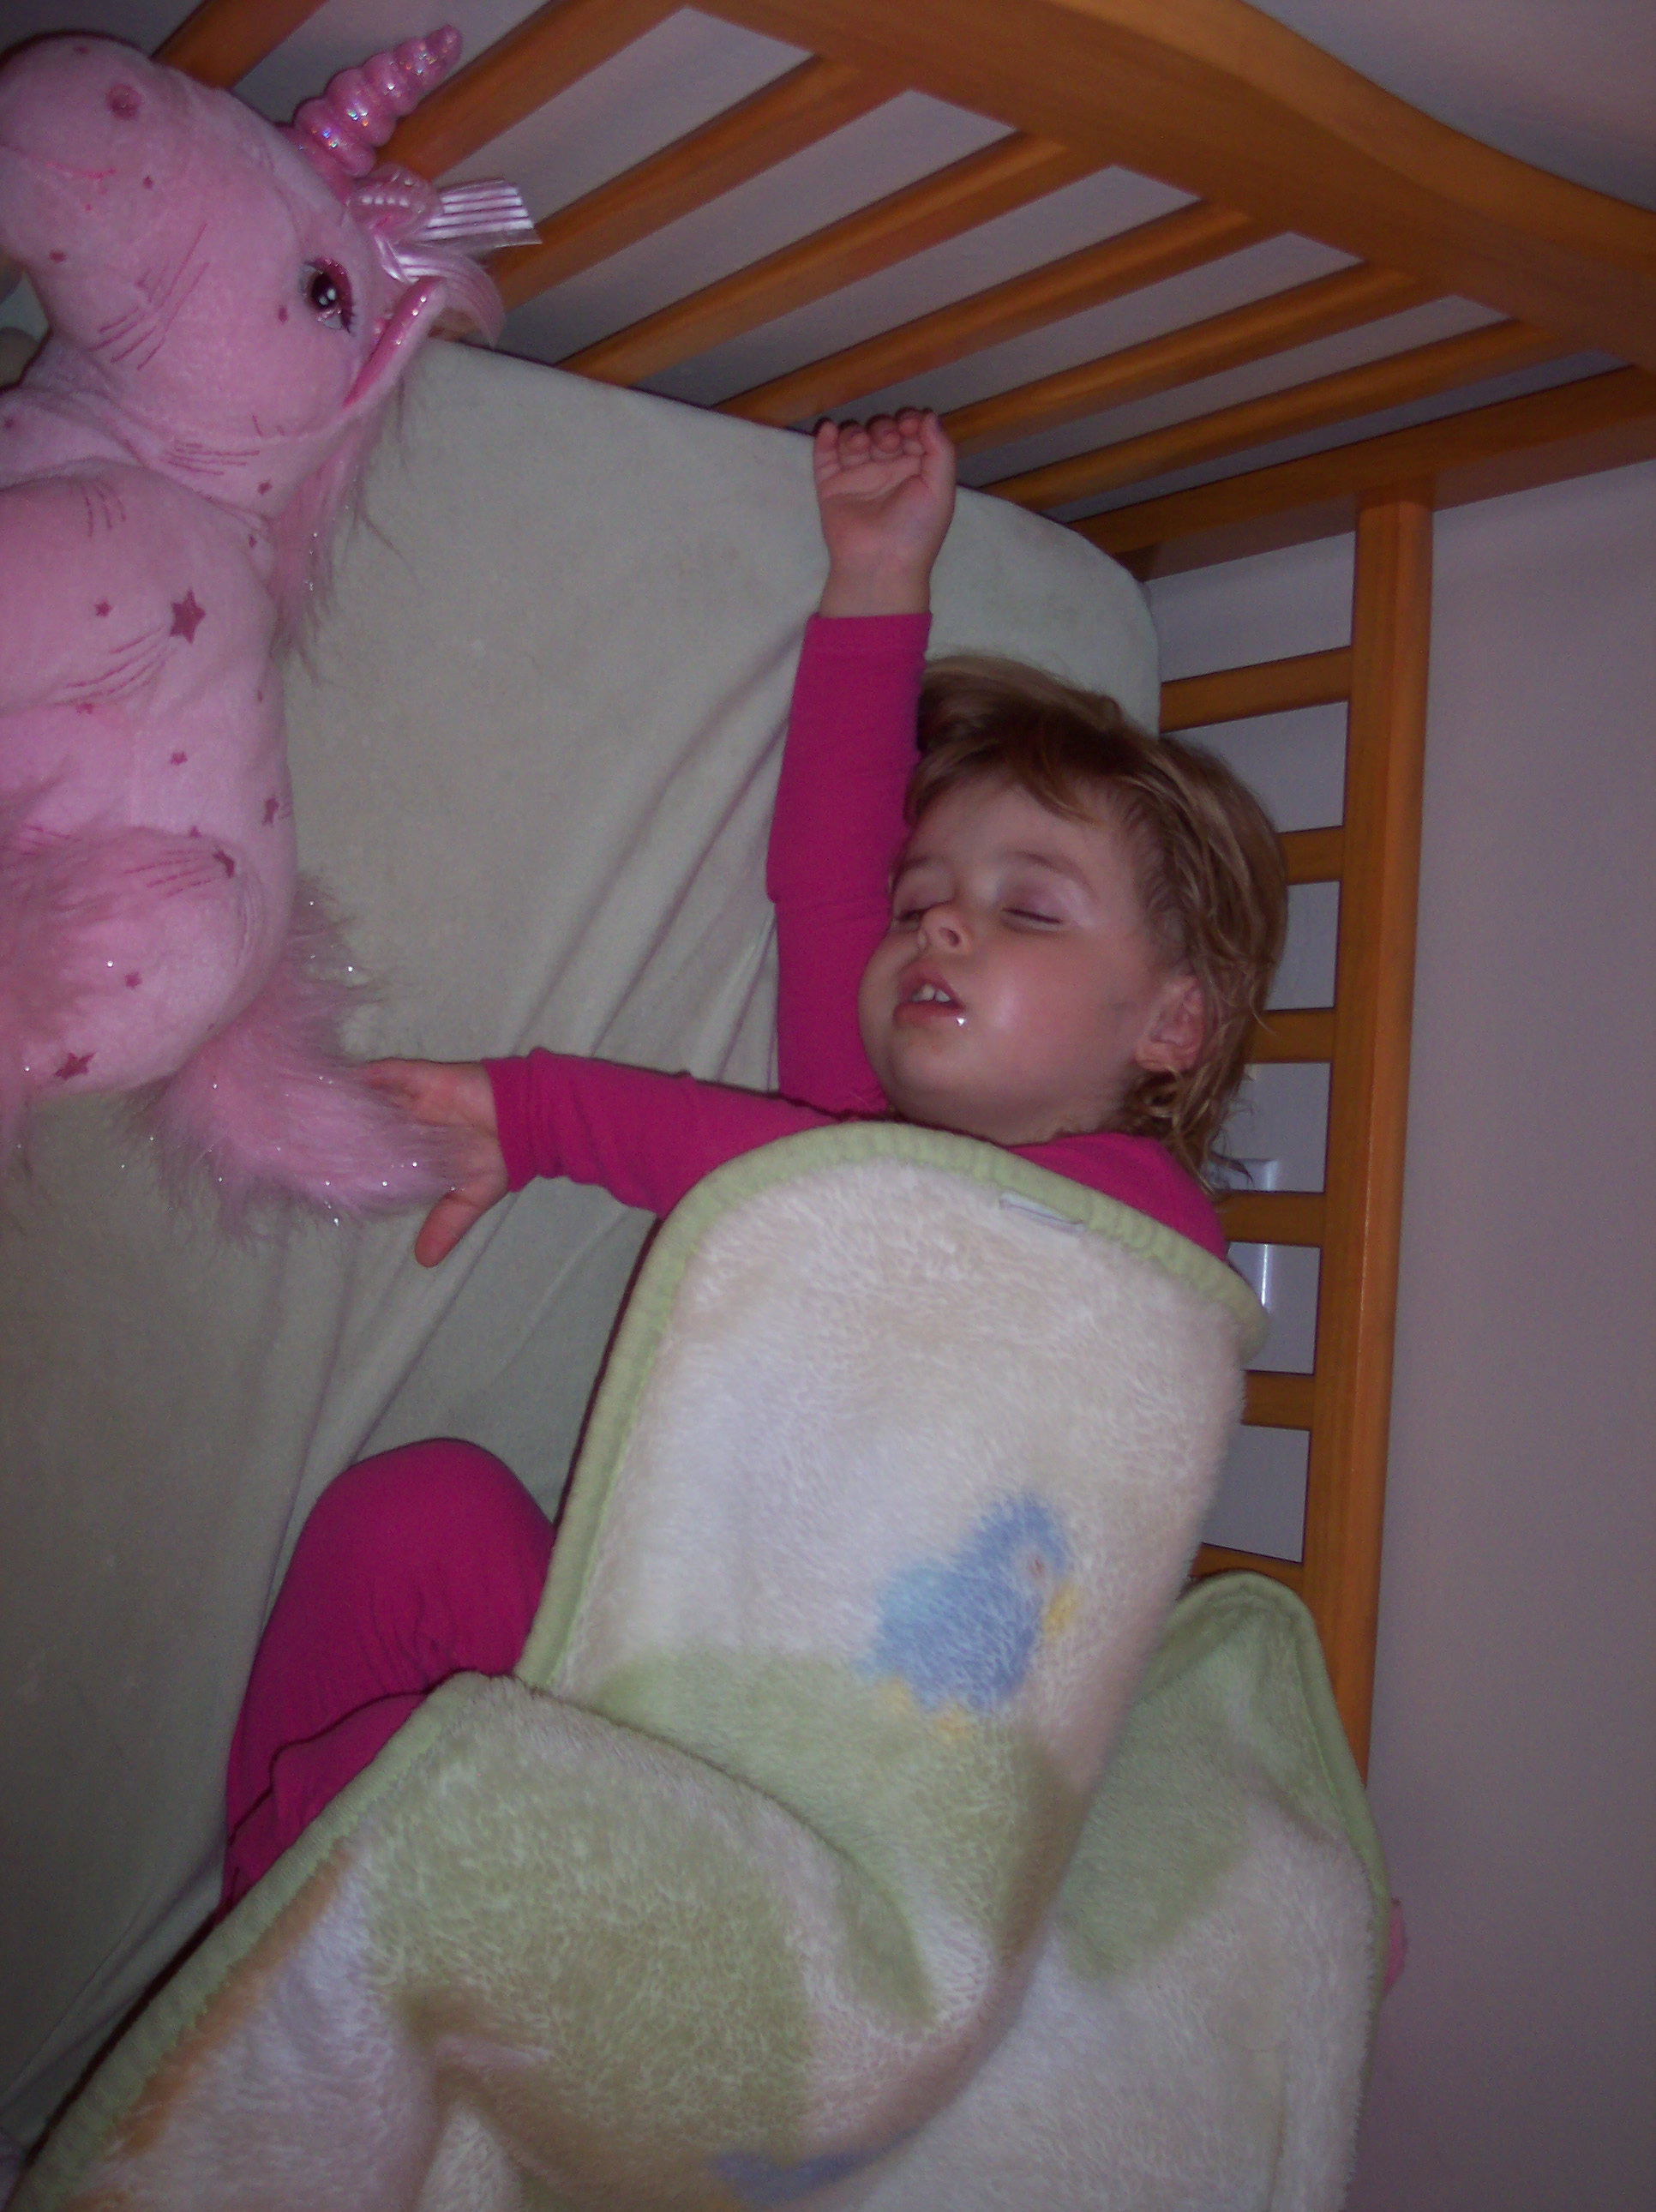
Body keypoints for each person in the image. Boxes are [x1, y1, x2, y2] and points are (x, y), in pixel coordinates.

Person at [219, 410, 1286, 1910]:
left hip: (842, 1795)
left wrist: (545, 1115)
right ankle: (258, 1951)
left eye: (1028, 910)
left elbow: (866, 1205)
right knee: (414, 1521)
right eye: (926, 903)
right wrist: (879, 578)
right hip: (677, 1691)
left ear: (1171, 1023)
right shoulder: (867, 1133)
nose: (942, 922)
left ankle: (363, 1959)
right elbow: (830, 884)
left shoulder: (1139, 1231)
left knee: (402, 1766)